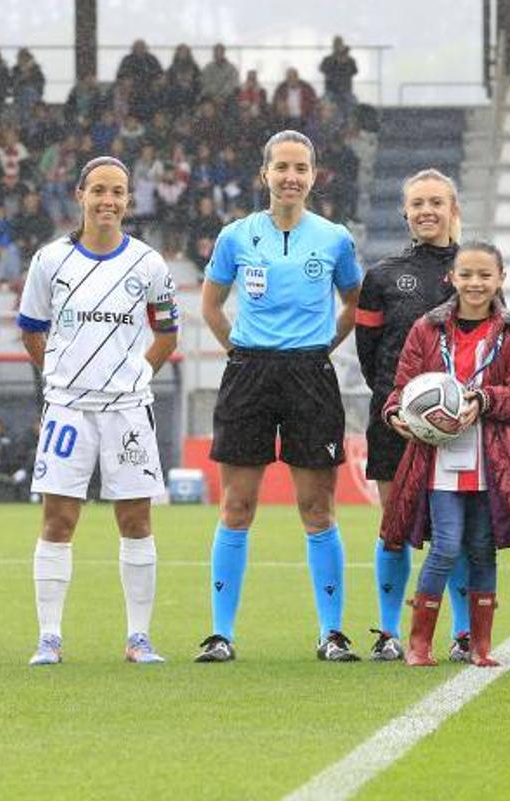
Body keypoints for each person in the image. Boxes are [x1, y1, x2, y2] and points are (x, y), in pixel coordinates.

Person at [197, 129, 363, 663]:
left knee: (317, 508)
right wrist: (239, 353)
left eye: (301, 168)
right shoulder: (236, 236)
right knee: (237, 505)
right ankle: (221, 634)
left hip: (310, 376)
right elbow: (211, 306)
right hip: (249, 374)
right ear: (264, 174)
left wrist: (320, 348)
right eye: (282, 168)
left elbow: (354, 305)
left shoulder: (335, 238)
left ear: (313, 177)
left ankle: (331, 633)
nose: (291, 177)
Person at [16, 156, 180, 666]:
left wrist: (133, 375)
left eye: (118, 192)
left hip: (128, 411)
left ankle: (138, 638)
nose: (108, 201)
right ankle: (49, 637)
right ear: (80, 195)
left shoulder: (150, 264)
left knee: (135, 519)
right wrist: (60, 377)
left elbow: (167, 333)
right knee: (58, 518)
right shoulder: (49, 261)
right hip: (67, 410)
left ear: (129, 201)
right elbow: (31, 328)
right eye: (99, 191)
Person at [380, 242, 510, 667]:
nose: (475, 283)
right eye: (466, 274)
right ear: (450, 278)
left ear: (501, 279)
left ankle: (480, 646)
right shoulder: (426, 328)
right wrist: (394, 411)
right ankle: (419, 644)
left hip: (491, 460)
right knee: (446, 546)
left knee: (482, 548)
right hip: (438, 458)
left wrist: (484, 400)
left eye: (485, 275)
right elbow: (402, 388)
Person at [355, 169, 472, 662]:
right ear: (405, 211)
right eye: (418, 203)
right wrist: (394, 405)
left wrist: (464, 408)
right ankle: (388, 632)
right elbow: (369, 353)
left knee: (460, 532)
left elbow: (491, 346)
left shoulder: (473, 270)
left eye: (436, 202)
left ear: (453, 210)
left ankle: (463, 635)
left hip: (461, 426)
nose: (427, 211)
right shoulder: (381, 277)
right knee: (395, 526)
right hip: (395, 423)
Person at [320, 36, 359, 116]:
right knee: (324, 105)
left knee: (353, 105)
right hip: (331, 90)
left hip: (345, 90)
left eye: (339, 44)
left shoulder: (350, 60)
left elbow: (354, 71)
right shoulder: (328, 59)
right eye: (336, 44)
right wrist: (335, 60)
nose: (337, 46)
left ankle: (350, 124)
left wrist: (345, 61)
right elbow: (323, 69)